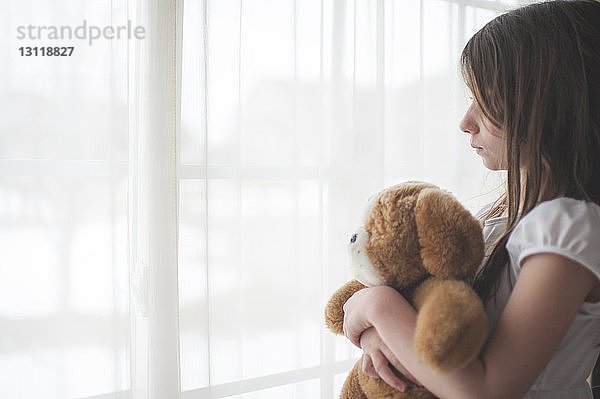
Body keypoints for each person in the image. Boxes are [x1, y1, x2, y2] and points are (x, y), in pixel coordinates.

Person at [341, 1, 600, 398]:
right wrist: (378, 336)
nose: (466, 122)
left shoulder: (568, 229)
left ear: (550, 108)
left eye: (488, 102)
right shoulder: (501, 217)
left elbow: (483, 390)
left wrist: (375, 306)